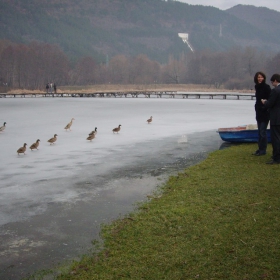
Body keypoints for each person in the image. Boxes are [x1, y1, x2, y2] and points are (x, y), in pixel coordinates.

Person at [261, 73, 280, 164]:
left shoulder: (275, 91)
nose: (272, 83)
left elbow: (270, 104)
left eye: (272, 82)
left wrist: (264, 102)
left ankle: (276, 158)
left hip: (276, 118)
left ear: (275, 81)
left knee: (276, 139)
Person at [252, 72, 271, 156]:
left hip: (265, 112)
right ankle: (260, 148)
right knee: (259, 131)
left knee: (263, 132)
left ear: (264, 78)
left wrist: (264, 107)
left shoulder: (267, 87)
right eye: (258, 77)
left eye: (261, 77)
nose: (260, 79)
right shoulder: (257, 87)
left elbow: (270, 100)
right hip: (258, 112)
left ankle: (263, 150)